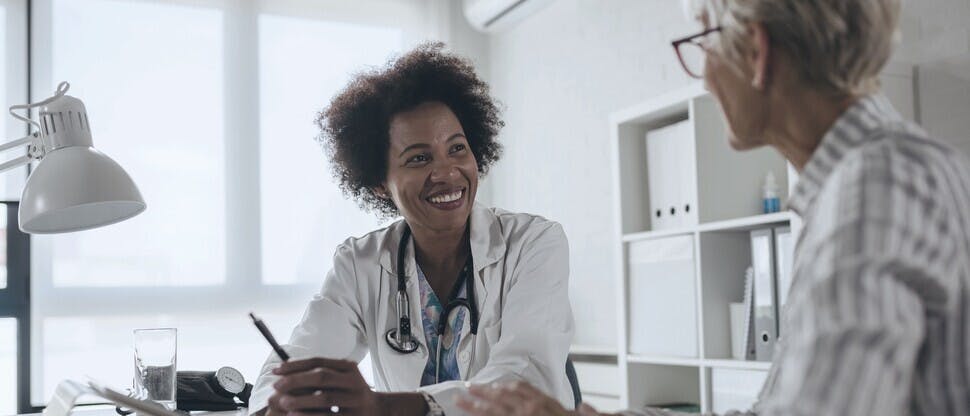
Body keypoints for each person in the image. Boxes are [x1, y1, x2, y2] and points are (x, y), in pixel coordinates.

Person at [457, 0, 970, 415]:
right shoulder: (867, 181)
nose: (703, 77)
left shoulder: (873, 189)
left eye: (702, 43)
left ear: (756, 52)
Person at [248, 43, 576, 416]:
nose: (447, 173)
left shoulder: (533, 243)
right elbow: (298, 357)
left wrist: (384, 405)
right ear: (379, 182)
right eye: (419, 158)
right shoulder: (361, 262)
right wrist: (278, 406)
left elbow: (526, 378)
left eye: (457, 149)